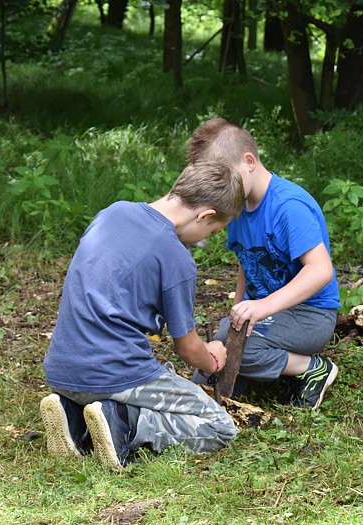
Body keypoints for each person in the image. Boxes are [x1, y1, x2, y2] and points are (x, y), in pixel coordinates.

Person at [40, 159, 245, 470]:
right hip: (113, 372)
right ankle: (125, 422)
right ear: (205, 215)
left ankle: (73, 414)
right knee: (219, 426)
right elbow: (188, 348)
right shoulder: (176, 257)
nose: (207, 238)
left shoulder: (113, 213)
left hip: (60, 369)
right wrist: (212, 359)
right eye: (214, 230)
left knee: (144, 378)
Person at [187, 118, 340, 411]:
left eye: (223, 178)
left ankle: (313, 367)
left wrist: (261, 307)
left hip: (310, 315)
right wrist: (240, 307)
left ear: (249, 162)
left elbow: (320, 271)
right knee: (211, 361)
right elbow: (248, 261)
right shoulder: (238, 205)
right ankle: (259, 369)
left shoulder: (288, 206)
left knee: (237, 350)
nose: (218, 190)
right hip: (269, 316)